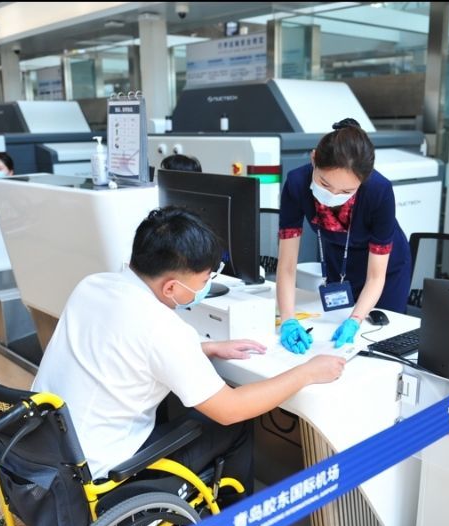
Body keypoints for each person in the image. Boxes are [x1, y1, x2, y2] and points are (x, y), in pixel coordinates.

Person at [32, 207, 346, 503]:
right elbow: (230, 409)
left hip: (40, 456)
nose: (206, 287)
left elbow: (117, 346)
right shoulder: (163, 328)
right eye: (205, 280)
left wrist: (204, 348)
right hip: (96, 477)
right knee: (233, 426)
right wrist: (308, 372)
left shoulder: (93, 285)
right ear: (170, 288)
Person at [276, 117, 412, 354]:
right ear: (313, 158)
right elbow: (287, 265)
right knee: (329, 334)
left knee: (381, 341)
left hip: (385, 269)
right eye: (325, 184)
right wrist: (287, 319)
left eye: (347, 191)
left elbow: (376, 276)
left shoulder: (379, 191)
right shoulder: (297, 184)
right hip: (338, 259)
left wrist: (355, 320)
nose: (333, 196)